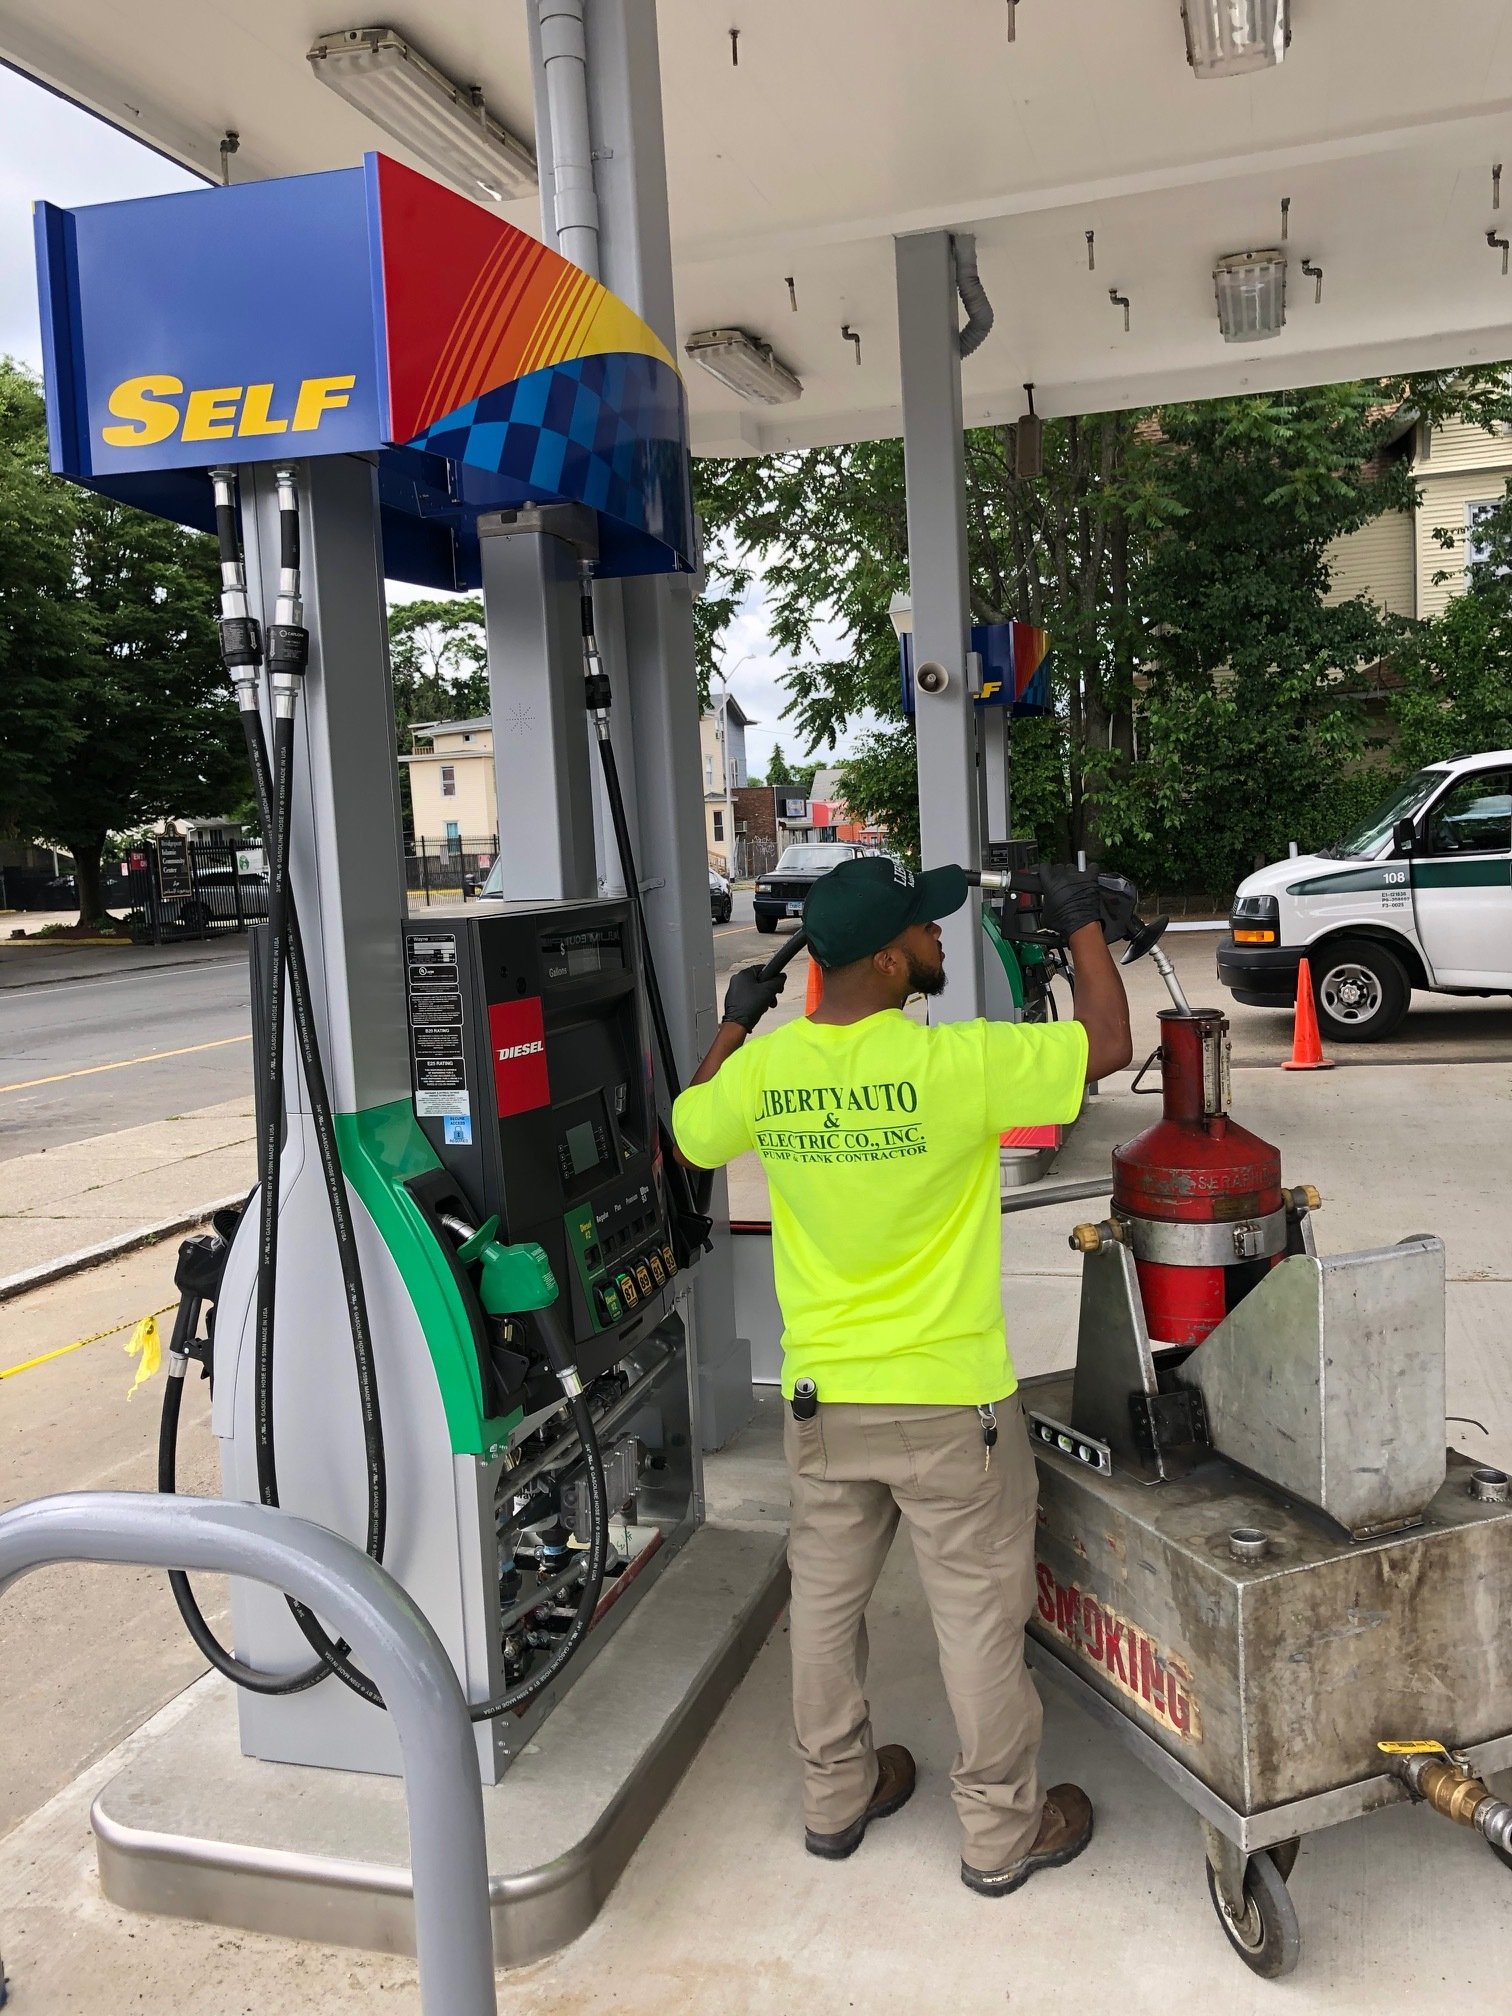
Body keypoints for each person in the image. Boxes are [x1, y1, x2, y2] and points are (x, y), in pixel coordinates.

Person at [671, 855, 1133, 1895]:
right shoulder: (956, 1064)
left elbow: (691, 1132)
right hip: (949, 1407)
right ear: (886, 960)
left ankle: (834, 1798)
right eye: (924, 930)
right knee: (976, 1622)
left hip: (823, 1404)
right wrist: (1081, 927)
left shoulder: (769, 1071)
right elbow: (1109, 1043)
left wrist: (738, 1023)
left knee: (824, 1609)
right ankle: (1000, 1832)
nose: (937, 938)